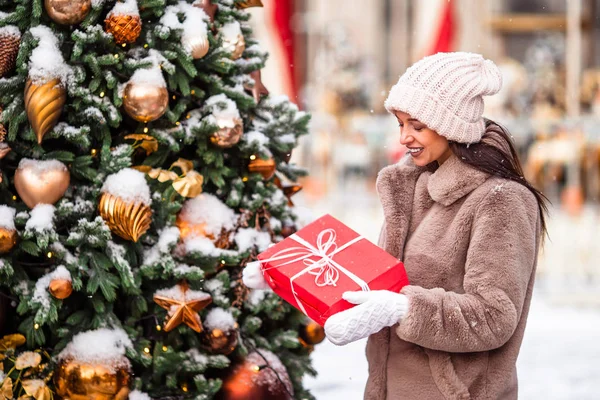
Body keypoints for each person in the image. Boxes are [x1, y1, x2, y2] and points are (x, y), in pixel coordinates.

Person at [243, 52, 548, 400]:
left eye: (417, 125)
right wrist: (286, 274)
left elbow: (494, 316)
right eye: (400, 124)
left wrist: (403, 308)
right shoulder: (413, 188)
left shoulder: (500, 199)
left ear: (452, 126)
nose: (403, 138)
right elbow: (373, 282)